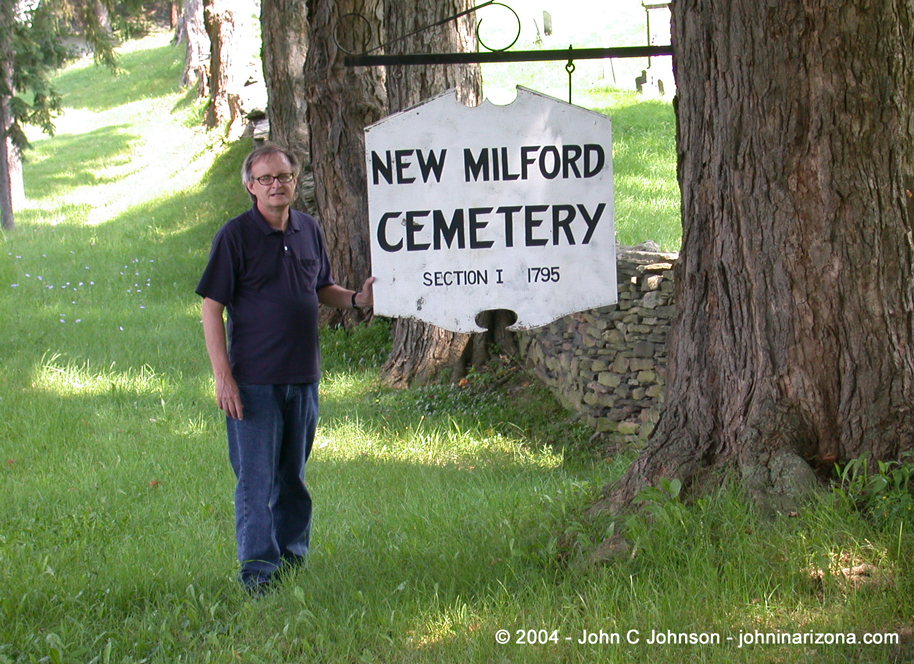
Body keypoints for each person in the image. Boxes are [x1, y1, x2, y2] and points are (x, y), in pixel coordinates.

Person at [196, 143, 374, 594]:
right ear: (250, 186)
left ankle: (292, 560)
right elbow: (211, 307)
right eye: (266, 178)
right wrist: (223, 377)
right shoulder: (234, 236)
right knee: (256, 482)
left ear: (295, 181)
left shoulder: (308, 229)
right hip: (253, 382)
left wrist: (356, 299)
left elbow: (320, 288)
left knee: (292, 477)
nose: (276, 184)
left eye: (284, 177)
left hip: (303, 378)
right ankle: (258, 573)